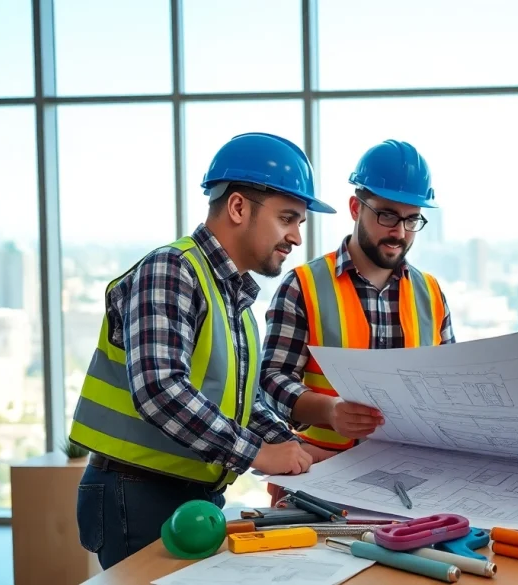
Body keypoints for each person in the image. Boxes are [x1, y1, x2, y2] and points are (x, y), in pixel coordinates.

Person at [69, 132, 338, 570]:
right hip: (136, 493)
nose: (295, 237)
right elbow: (160, 388)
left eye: (299, 223)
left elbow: (236, 405)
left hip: (186, 494)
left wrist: (295, 447)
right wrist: (256, 453)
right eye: (288, 218)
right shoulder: (173, 269)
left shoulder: (235, 303)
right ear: (237, 207)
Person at [259, 139, 456, 501]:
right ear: (355, 207)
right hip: (318, 477)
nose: (399, 231)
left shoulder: (431, 293)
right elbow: (270, 381)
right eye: (386, 215)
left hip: (413, 483)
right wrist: (329, 411)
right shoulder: (303, 286)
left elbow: (447, 386)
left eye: (411, 219)